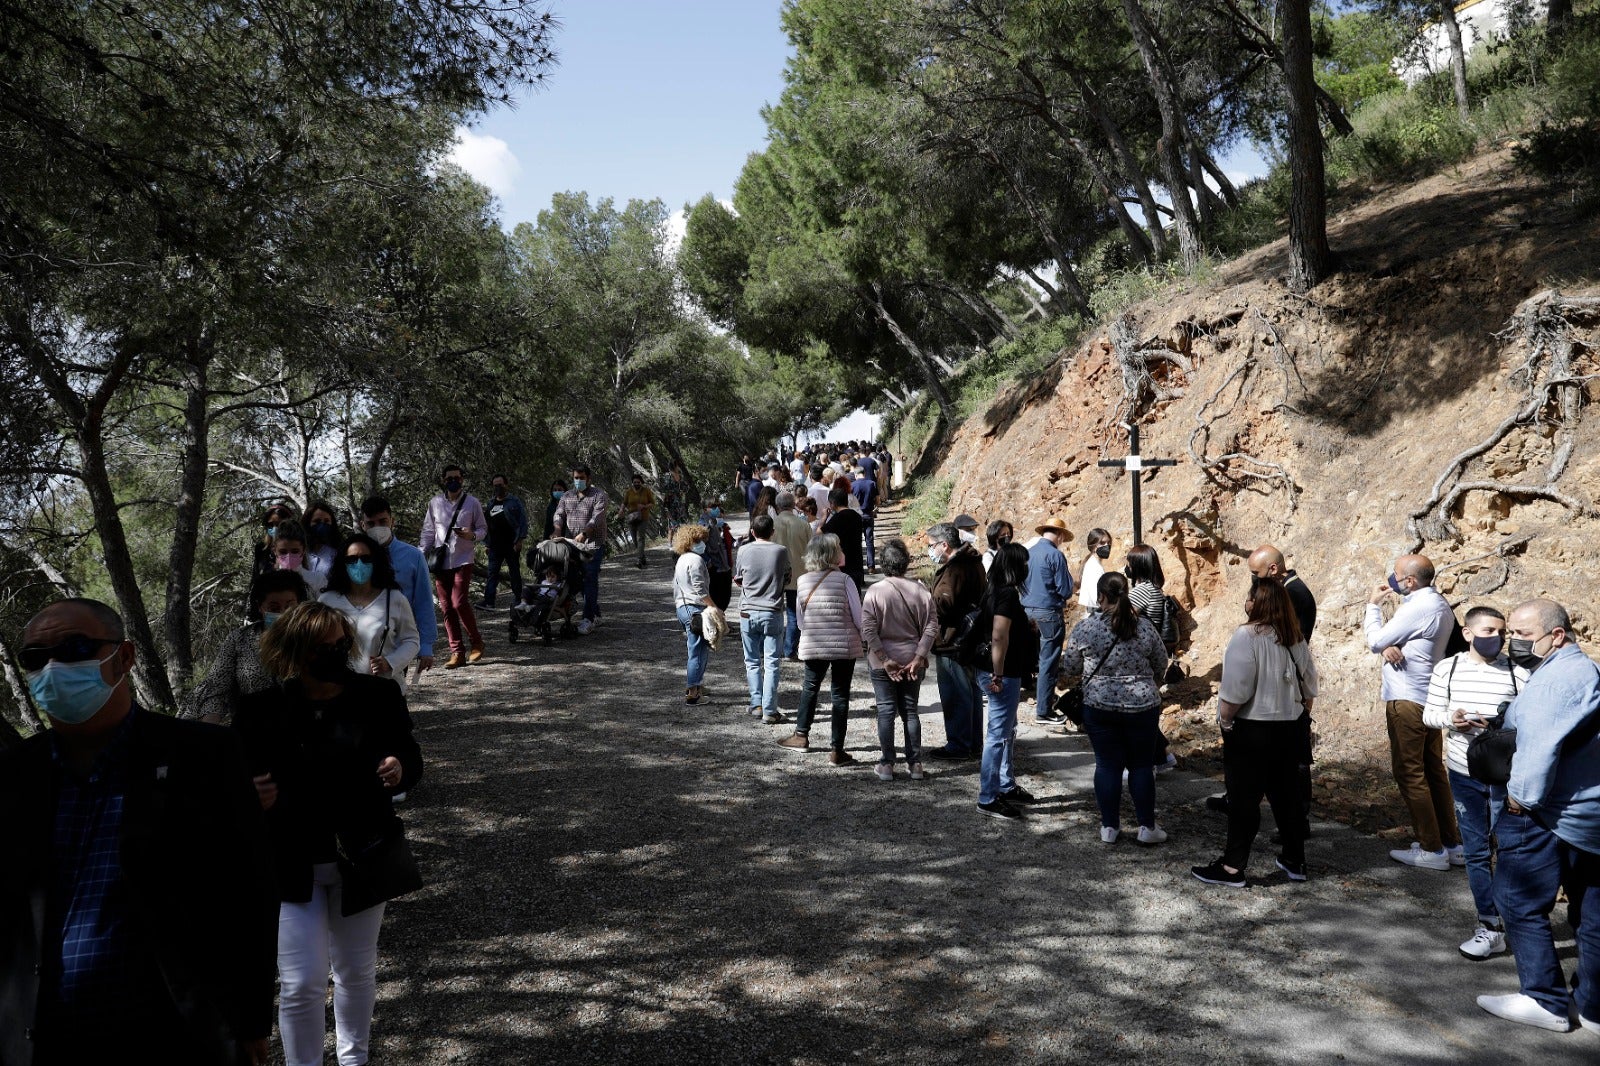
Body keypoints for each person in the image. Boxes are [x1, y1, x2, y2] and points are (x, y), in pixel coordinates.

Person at [1, 599, 276, 1064]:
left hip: (173, 1034)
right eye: (35, 658)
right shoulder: (13, 776)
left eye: (75, 648)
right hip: (40, 1038)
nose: (53, 667)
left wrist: (250, 1021)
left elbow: (250, 893)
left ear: (124, 658)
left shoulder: (205, 756)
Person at [250, 602, 422, 1066]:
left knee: (354, 971)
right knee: (301, 982)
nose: (333, 652)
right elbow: (233, 782)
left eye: (340, 644)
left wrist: (400, 767)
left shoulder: (377, 696)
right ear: (295, 650)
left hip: (364, 856)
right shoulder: (262, 710)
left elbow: (410, 756)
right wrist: (251, 795)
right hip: (289, 863)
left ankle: (354, 1060)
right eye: (320, 646)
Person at [1475, 598, 1600, 1033]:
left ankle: (1544, 1001)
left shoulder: (1555, 682)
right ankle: (1591, 1007)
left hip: (1544, 814)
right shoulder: (1582, 671)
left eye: (1525, 635)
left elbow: (1539, 750)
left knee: (1519, 902)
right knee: (1590, 911)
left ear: (1557, 636)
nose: (1514, 642)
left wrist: (1518, 800)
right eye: (1512, 633)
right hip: (1586, 815)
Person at [1191, 576, 1317, 888]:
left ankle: (1233, 867)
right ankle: (1294, 859)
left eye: (1250, 598)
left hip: (1253, 730)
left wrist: (1226, 721)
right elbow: (1310, 689)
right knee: (1286, 797)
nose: (1246, 603)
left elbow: (1235, 691)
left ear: (1256, 603)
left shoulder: (1246, 637)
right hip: (1290, 729)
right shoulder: (1296, 639)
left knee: (1243, 800)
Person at [1421, 606, 1528, 960]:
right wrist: (1452, 720)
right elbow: (1429, 714)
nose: (1495, 638)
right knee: (1477, 852)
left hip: (1505, 778)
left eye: (1501, 631)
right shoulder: (1447, 669)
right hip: (1463, 773)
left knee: (1511, 850)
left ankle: (1520, 923)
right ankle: (1489, 925)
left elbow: (1529, 720)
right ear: (1467, 634)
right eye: (1486, 631)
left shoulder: (1518, 671)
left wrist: (1498, 726)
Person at [1365, 553, 1461, 870]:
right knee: (1434, 772)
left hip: (1406, 699)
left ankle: (1431, 849)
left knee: (1410, 773)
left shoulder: (1418, 606)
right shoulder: (1438, 605)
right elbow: (1398, 642)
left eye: (1396, 575)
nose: (1391, 580)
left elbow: (1376, 639)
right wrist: (1389, 644)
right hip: (1429, 698)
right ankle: (1452, 843)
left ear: (1409, 581)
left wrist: (1373, 607)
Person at [1064, 573, 1170, 846]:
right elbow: (1161, 662)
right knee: (1141, 766)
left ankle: (1109, 827)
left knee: (1107, 766)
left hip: (1099, 706)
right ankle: (1147, 826)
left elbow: (1071, 667)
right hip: (1142, 706)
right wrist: (1150, 683)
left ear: (1100, 597)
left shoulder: (1086, 628)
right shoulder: (1144, 627)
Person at [778, 533, 863, 763]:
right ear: (832, 555)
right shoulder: (846, 581)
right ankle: (837, 750)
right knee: (840, 694)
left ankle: (801, 736)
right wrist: (867, 640)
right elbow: (858, 617)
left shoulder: (804, 581)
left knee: (810, 688)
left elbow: (801, 620)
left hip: (815, 643)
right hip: (844, 645)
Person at [187, 569, 310, 724]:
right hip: (250, 732)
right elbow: (216, 689)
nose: (283, 613)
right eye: (274, 608)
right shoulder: (239, 639)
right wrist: (209, 731)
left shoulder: (315, 638)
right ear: (260, 606)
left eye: (289, 606)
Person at [861, 538, 937, 781]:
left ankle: (886, 765)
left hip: (883, 662)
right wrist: (919, 656)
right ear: (906, 563)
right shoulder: (921, 591)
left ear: (883, 564)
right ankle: (915, 765)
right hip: (912, 660)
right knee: (910, 711)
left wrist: (884, 659)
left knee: (885, 711)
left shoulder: (875, 592)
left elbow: (869, 630)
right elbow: (931, 626)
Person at [975, 542, 1038, 820]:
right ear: (1015, 567)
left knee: (1006, 732)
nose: (1027, 568)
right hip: (1002, 674)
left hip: (999, 671)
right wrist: (998, 674)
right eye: (1023, 564)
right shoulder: (1006, 596)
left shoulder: (994, 591)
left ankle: (1005, 784)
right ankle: (988, 797)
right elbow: (999, 635)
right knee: (998, 736)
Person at [319, 532, 422, 694]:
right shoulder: (327, 601)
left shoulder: (394, 599)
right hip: (338, 692)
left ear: (376, 561)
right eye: (351, 559)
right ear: (342, 563)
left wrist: (391, 662)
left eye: (366, 558)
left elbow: (412, 639)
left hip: (384, 691)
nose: (359, 564)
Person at [359, 495, 438, 676]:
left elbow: (423, 602)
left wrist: (425, 646)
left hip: (398, 641)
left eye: (383, 521)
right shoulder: (355, 557)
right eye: (371, 524)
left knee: (393, 694)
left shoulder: (413, 557)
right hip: (362, 640)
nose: (377, 528)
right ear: (363, 526)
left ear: (392, 521)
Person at [927, 521, 986, 761]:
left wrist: (926, 599)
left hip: (953, 640)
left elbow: (946, 604)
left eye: (932, 546)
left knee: (956, 695)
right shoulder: (972, 563)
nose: (929, 551)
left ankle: (959, 744)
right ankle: (971, 743)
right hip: (967, 637)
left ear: (944, 545)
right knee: (970, 693)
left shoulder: (957, 568)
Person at [420, 464, 487, 667]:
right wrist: (420, 554)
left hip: (463, 559)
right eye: (449, 478)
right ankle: (457, 652)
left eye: (456, 477)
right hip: (441, 562)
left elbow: (483, 528)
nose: (453, 481)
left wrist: (472, 535)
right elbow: (428, 532)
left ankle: (477, 642)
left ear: (462, 479)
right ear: (443, 480)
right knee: (446, 607)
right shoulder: (435, 503)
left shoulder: (472, 503)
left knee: (458, 602)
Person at [734, 514, 790, 725]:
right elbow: (788, 576)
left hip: (748, 611)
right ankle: (769, 709)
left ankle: (756, 703)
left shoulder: (744, 550)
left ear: (752, 532)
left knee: (752, 660)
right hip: (772, 611)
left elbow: (738, 578)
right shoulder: (781, 551)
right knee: (772, 662)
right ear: (772, 532)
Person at [1125, 543, 1176, 771]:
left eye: (1129, 562)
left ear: (1137, 565)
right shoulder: (1155, 589)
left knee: (1136, 714)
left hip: (1139, 658)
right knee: (1142, 712)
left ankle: (1150, 762)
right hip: (1152, 655)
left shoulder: (1141, 592)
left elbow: (1123, 621)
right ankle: (1162, 756)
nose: (1126, 566)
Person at [1022, 517, 1074, 724]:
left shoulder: (1027, 553)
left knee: (1028, 657)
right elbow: (1065, 589)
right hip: (1048, 613)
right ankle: (1044, 711)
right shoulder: (1056, 555)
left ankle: (1040, 697)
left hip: (1025, 611)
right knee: (1048, 661)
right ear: (1060, 536)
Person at [552, 464, 610, 636]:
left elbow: (597, 518)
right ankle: (596, 613)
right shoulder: (567, 496)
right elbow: (559, 514)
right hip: (573, 544)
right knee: (577, 578)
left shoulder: (599, 495)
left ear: (589, 478)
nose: (578, 481)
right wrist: (556, 529)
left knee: (590, 577)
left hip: (593, 545)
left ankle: (588, 618)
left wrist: (585, 533)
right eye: (576, 478)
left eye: (582, 478)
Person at [672, 524, 716, 706]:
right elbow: (699, 588)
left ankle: (697, 684)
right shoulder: (696, 560)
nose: (702, 544)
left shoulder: (682, 559)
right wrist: (713, 606)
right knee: (697, 650)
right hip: (693, 609)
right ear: (690, 542)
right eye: (699, 540)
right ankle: (693, 693)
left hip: (682, 608)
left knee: (695, 648)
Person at [772, 491, 813, 659]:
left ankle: (771, 648)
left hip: (775, 575)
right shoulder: (803, 525)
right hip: (799, 576)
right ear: (793, 505)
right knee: (794, 613)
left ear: (778, 506)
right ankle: (790, 649)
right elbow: (812, 551)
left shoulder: (771, 523)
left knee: (772, 612)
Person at [479, 473, 529, 607]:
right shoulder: (490, 503)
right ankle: (489, 601)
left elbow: (522, 521)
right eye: (495, 486)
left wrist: (520, 540)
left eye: (500, 485)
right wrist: (487, 544)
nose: (498, 488)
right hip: (495, 546)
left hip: (511, 544)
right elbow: (486, 525)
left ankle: (519, 599)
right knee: (492, 574)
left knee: (514, 572)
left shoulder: (514, 502)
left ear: (506, 485)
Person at [1249, 544, 1316, 641]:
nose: (1256, 578)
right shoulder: (1285, 588)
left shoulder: (1292, 593)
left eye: (1256, 573)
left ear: (1273, 569)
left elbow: (1272, 631)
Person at [822, 483, 866, 590]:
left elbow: (820, 533)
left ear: (832, 504)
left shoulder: (836, 519)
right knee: (856, 595)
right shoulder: (857, 516)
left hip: (842, 565)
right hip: (857, 561)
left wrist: (824, 517)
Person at [272, 520, 329, 596]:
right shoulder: (269, 582)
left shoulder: (317, 580)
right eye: (283, 552)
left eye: (295, 551)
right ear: (275, 551)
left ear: (303, 551)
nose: (289, 556)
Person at [702, 499, 735, 611]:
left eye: (718, 506)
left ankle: (721, 620)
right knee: (717, 597)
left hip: (724, 565)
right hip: (715, 567)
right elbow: (700, 546)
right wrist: (708, 562)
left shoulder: (716, 522)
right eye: (713, 506)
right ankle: (717, 623)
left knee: (725, 596)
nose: (717, 509)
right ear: (705, 509)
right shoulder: (704, 524)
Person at [254, 500, 299, 578]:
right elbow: (255, 577)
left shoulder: (296, 548)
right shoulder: (261, 549)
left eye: (278, 524)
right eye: (271, 524)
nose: (274, 528)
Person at [303, 499, 343, 579]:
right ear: (308, 524)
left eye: (326, 521)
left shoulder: (338, 553)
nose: (322, 525)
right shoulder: (299, 552)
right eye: (317, 521)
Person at [1077, 528, 1111, 612]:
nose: (1107, 546)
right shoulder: (1093, 567)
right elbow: (1096, 596)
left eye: (1108, 542)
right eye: (1102, 543)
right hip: (1096, 610)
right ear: (1093, 546)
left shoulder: (1094, 563)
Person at [662, 460, 691, 535]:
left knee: (684, 521)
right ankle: (674, 543)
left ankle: (686, 539)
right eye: (677, 466)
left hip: (679, 502)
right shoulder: (667, 475)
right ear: (674, 466)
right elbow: (665, 489)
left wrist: (682, 492)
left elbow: (686, 487)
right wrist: (666, 508)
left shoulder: (680, 476)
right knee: (674, 524)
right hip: (670, 503)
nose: (679, 467)